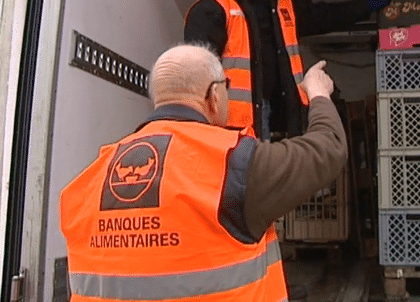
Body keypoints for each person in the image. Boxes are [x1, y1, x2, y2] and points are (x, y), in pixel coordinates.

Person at [60, 44, 348, 301]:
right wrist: (318, 92)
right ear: (214, 95)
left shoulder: (86, 183)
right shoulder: (235, 163)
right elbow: (328, 149)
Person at [184, 0, 389, 141]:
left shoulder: (285, 3)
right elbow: (196, 67)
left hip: (287, 116)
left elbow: (326, 15)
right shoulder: (214, 5)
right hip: (238, 123)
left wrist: (368, 6)